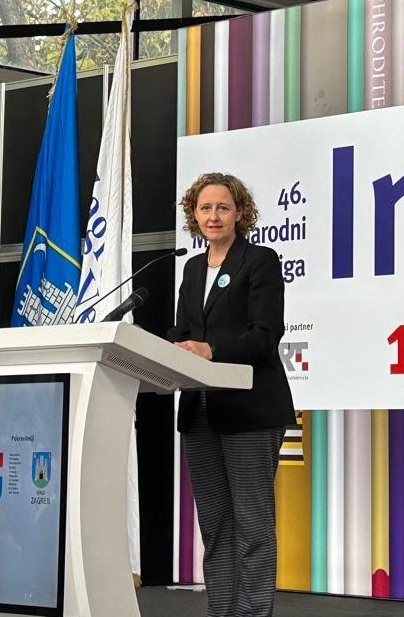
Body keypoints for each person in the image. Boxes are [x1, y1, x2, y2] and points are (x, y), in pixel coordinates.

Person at [167, 172, 295, 617]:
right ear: (194, 214)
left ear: (240, 212)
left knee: (252, 526)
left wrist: (212, 350)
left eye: (223, 207)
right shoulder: (191, 269)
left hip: (248, 410)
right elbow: (183, 332)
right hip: (200, 411)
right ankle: (223, 612)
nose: (214, 216)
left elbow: (266, 334)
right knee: (216, 526)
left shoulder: (259, 261)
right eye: (205, 208)